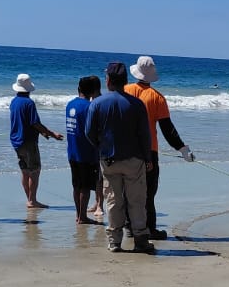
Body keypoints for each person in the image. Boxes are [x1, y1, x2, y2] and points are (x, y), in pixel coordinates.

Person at [84, 61, 155, 254]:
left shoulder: (97, 104)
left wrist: (100, 147)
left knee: (113, 200)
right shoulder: (137, 104)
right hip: (134, 159)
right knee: (137, 200)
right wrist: (147, 157)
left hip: (109, 159)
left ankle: (114, 241)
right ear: (124, 81)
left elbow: (89, 132)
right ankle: (140, 238)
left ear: (108, 81)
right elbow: (144, 134)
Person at [127, 55, 194, 240]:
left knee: (129, 189)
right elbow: (167, 129)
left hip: (126, 149)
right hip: (149, 150)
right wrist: (182, 149)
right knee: (148, 192)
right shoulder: (157, 98)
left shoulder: (124, 90)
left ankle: (128, 226)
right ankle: (149, 228)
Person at [9, 74, 63, 209]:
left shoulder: (14, 102)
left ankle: (30, 198)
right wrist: (51, 133)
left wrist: (44, 133)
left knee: (25, 171)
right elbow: (35, 123)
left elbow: (25, 122)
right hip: (28, 141)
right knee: (35, 170)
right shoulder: (29, 103)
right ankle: (32, 200)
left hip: (16, 140)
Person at [65, 75, 102, 224]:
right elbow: (93, 130)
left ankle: (78, 214)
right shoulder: (89, 107)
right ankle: (83, 217)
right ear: (93, 91)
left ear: (78, 89)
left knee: (76, 185)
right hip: (86, 153)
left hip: (72, 151)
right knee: (85, 187)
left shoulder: (70, 104)